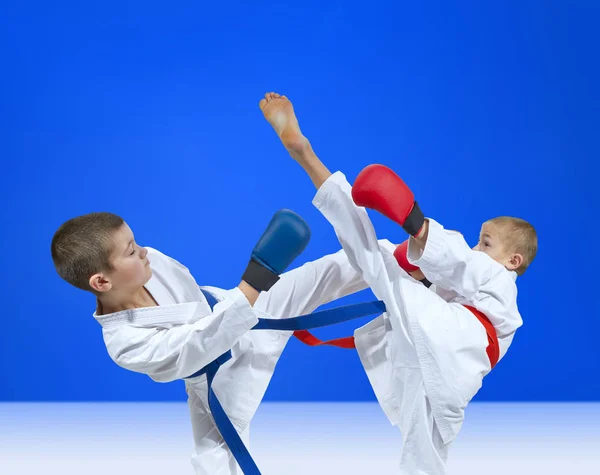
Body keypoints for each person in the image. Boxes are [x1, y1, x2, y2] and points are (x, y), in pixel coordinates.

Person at [260, 91, 537, 474]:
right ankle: (310, 167)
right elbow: (452, 270)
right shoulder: (476, 286)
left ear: (514, 260)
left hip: (451, 339)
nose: (477, 247)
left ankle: (308, 158)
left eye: (486, 242)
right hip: (439, 366)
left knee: (373, 256)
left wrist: (418, 226)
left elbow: (460, 262)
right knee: (424, 450)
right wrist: (419, 262)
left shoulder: (500, 279)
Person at [51, 207, 395, 474]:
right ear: (101, 282)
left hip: (244, 308)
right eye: (130, 251)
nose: (142, 252)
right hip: (219, 381)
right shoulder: (123, 342)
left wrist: (250, 292)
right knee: (214, 463)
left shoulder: (151, 261)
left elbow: (204, 305)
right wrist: (258, 276)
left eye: (136, 242)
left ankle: (414, 260)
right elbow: (196, 345)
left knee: (328, 272)